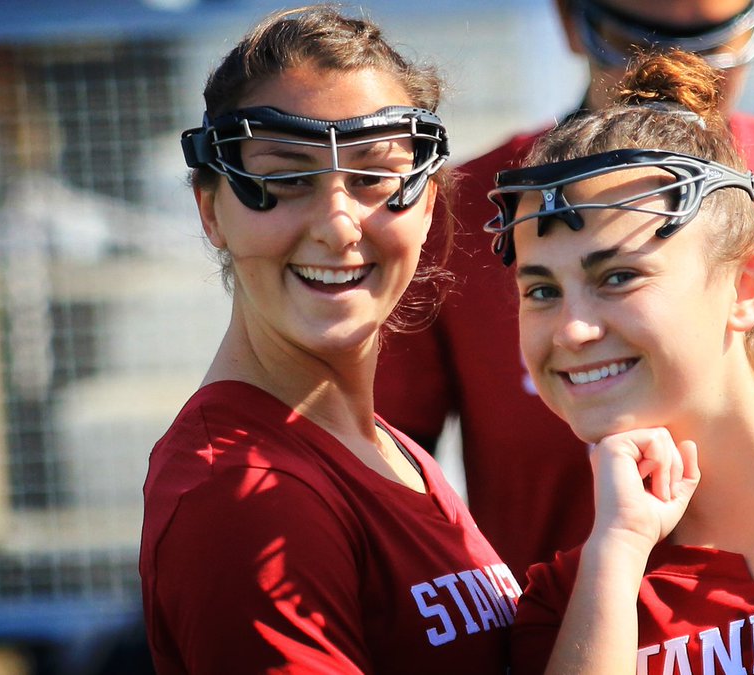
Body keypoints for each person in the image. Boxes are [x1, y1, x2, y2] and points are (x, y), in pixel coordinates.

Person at [138, 7, 517, 673]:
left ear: (427, 204)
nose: (339, 226)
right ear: (210, 211)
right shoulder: (246, 496)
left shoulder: (385, 448)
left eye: (375, 176)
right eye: (286, 178)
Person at [374, 0, 754, 583]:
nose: (682, 68)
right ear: (570, 21)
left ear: (748, 285)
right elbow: (383, 482)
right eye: (541, 290)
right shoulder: (459, 213)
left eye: (719, 44)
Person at [486, 50, 754, 674]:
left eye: (617, 277)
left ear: (745, 289)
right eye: (542, 291)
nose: (573, 330)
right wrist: (617, 554)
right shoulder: (572, 601)